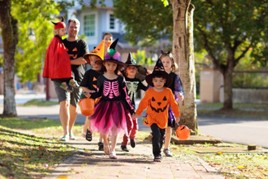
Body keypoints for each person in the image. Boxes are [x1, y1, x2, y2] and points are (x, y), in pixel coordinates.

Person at [88, 39, 134, 159]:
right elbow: (99, 92)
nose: (111, 67)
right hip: (104, 105)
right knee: (104, 127)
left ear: (117, 66)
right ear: (104, 64)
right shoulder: (101, 78)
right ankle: (106, 144)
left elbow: (125, 95)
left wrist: (131, 108)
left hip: (117, 106)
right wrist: (91, 95)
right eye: (108, 64)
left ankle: (113, 150)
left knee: (115, 128)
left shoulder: (120, 79)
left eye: (113, 65)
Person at [132, 59, 180, 162]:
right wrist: (137, 113)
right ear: (152, 81)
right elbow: (143, 103)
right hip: (152, 117)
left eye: (161, 81)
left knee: (161, 136)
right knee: (156, 134)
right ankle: (156, 154)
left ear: (165, 81)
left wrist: (177, 115)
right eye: (156, 81)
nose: (158, 83)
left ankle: (160, 149)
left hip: (163, 118)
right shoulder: (150, 91)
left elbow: (173, 104)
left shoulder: (168, 92)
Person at [53, 18, 88, 142]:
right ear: (67, 28)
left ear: (78, 29)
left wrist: (67, 61)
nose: (73, 29)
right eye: (71, 26)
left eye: (75, 27)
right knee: (64, 103)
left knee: (73, 106)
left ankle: (70, 130)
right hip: (61, 78)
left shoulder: (82, 44)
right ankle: (65, 132)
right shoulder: (60, 43)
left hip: (78, 78)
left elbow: (83, 60)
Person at [120, 52, 148, 152]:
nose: (132, 69)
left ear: (136, 71)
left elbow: (147, 89)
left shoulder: (138, 82)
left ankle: (132, 137)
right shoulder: (122, 80)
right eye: (129, 68)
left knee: (135, 126)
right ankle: (124, 144)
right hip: (124, 106)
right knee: (129, 124)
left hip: (133, 107)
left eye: (134, 68)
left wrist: (149, 78)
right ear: (126, 70)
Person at [42, 17, 79, 92]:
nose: (65, 32)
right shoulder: (56, 41)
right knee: (63, 71)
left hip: (58, 65)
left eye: (65, 30)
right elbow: (58, 53)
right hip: (57, 65)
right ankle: (66, 83)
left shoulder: (59, 40)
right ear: (57, 31)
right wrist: (65, 58)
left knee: (64, 72)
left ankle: (66, 83)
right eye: (63, 30)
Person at [160, 50, 184, 157]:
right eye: (163, 62)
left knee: (169, 127)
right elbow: (151, 88)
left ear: (172, 63)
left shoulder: (175, 77)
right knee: (159, 127)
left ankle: (166, 148)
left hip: (169, 105)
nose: (165, 64)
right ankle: (159, 143)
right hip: (158, 105)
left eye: (167, 62)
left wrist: (179, 95)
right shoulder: (157, 76)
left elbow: (178, 89)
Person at [80, 40, 105, 143]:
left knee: (103, 120)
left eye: (97, 61)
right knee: (91, 116)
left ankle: (101, 141)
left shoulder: (105, 73)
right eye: (92, 61)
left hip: (103, 98)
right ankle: (89, 130)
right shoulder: (89, 73)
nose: (95, 64)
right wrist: (88, 91)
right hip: (91, 98)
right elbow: (83, 86)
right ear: (89, 62)